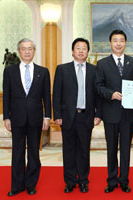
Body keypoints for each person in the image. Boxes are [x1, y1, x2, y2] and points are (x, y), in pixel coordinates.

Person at [52, 38, 102, 193]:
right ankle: (70, 181)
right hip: (68, 116)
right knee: (69, 150)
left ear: (88, 52)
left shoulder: (94, 70)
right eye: (78, 48)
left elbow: (98, 94)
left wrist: (98, 114)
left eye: (84, 48)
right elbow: (56, 94)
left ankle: (83, 181)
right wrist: (57, 114)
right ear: (72, 51)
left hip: (86, 116)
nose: (81, 51)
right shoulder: (62, 69)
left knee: (84, 150)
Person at [3, 38, 51, 196]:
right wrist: (6, 117)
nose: (27, 51)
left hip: (36, 119)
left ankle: (31, 184)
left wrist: (47, 117)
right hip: (16, 118)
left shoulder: (43, 71)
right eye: (24, 49)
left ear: (34, 51)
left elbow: (46, 97)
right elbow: (6, 96)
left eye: (30, 48)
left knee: (33, 153)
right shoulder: (9, 71)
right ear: (19, 51)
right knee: (17, 153)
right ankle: (16, 186)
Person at [96, 30, 133, 193]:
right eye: (115, 40)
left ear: (125, 43)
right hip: (110, 113)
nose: (118, 43)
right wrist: (111, 94)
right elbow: (98, 86)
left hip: (128, 114)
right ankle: (112, 181)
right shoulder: (102, 64)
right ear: (110, 43)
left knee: (126, 149)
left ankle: (124, 181)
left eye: (121, 40)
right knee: (111, 149)